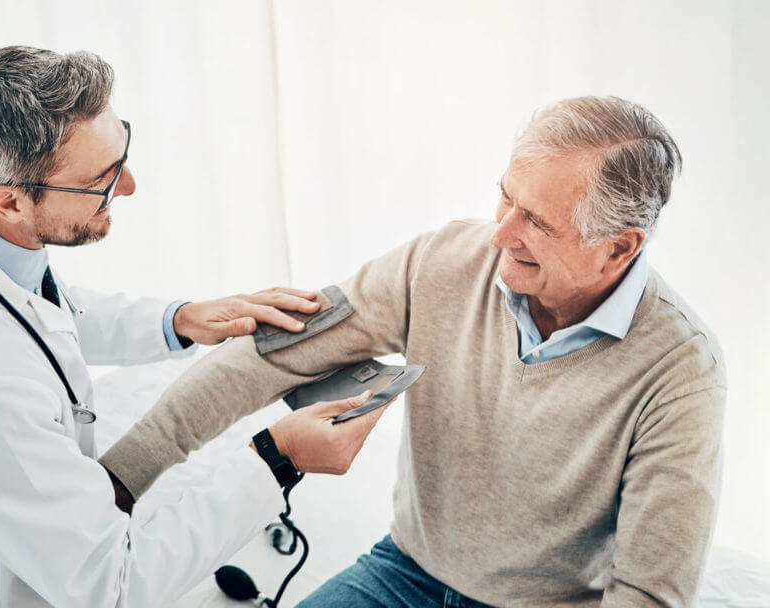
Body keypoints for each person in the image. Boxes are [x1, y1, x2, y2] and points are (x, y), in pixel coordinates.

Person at [100, 96, 727, 607]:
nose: (500, 233)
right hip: (403, 572)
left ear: (619, 248)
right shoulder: (443, 260)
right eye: (506, 195)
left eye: (537, 221)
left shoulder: (681, 370)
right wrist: (119, 480)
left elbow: (649, 593)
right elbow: (272, 353)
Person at [0, 46, 391, 608]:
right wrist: (277, 459)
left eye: (122, 152)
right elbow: (113, 586)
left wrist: (177, 321)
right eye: (103, 179)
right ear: (11, 201)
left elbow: (42, 308)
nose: (130, 186)